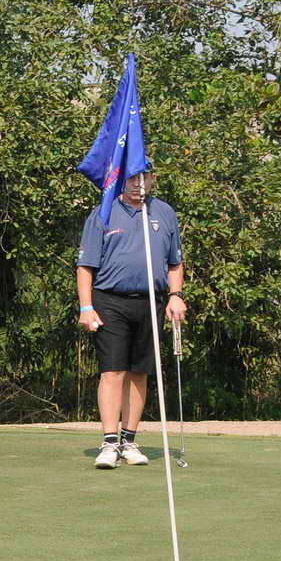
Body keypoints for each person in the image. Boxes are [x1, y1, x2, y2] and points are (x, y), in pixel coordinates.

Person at [76, 169, 186, 468]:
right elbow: (86, 266)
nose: (138, 184)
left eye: (144, 178)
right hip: (110, 300)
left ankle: (128, 440)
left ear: (153, 179)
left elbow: (175, 262)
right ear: (121, 180)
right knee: (113, 371)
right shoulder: (104, 211)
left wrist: (176, 295)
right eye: (132, 178)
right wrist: (86, 307)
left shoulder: (164, 213)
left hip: (151, 301)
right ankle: (110, 442)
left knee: (140, 372)